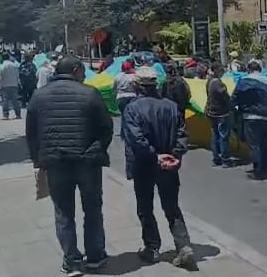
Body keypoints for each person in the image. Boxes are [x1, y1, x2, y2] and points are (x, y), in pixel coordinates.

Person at [26, 56, 113, 275]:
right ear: (75, 70)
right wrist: (96, 150)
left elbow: (31, 133)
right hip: (87, 162)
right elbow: (106, 128)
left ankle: (72, 260)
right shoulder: (89, 93)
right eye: (82, 71)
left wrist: (38, 160)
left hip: (55, 162)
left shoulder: (39, 96)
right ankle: (95, 257)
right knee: (92, 209)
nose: (84, 76)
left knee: (63, 212)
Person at [122, 67, 196, 268]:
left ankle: (152, 247)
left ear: (137, 85)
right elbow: (182, 134)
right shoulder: (171, 106)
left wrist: (155, 156)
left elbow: (135, 139)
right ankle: (183, 246)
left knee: (145, 207)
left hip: (144, 165)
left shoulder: (132, 108)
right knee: (172, 207)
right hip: (169, 165)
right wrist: (174, 155)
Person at [231, 60, 267, 180]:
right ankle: (266, 167)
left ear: (249, 70)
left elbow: (235, 98)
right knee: (264, 143)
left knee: (254, 144)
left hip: (250, 116)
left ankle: (258, 171)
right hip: (266, 117)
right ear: (260, 70)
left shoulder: (244, 81)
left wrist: (234, 109)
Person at [205, 62, 232, 167]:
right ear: (216, 70)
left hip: (212, 113)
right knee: (223, 136)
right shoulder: (218, 84)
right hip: (221, 113)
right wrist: (231, 106)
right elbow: (225, 97)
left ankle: (216, 158)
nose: (222, 72)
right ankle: (225, 159)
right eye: (221, 70)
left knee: (215, 135)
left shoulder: (209, 82)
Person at [0, 53, 21, 120]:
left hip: (5, 86)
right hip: (14, 85)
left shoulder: (1, 66)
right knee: (15, 101)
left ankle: (5, 115)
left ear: (2, 58)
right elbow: (17, 76)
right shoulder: (14, 65)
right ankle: (18, 114)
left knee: (5, 101)